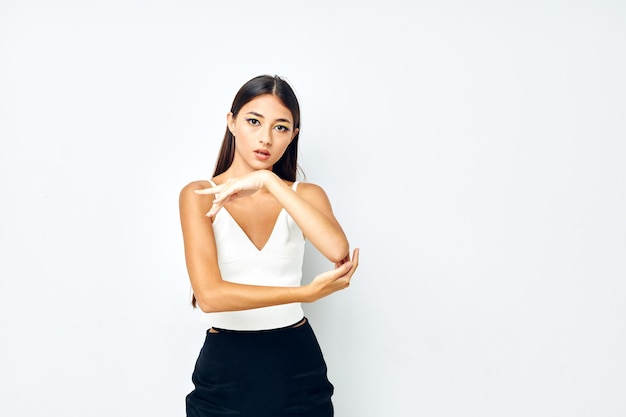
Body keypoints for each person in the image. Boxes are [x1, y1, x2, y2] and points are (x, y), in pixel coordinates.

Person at [179, 74, 359, 417]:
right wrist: (303, 294)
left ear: (293, 135)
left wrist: (268, 181)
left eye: (280, 127)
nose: (265, 138)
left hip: (295, 366)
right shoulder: (198, 195)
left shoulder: (304, 196)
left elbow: (337, 250)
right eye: (253, 121)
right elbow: (210, 296)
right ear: (231, 122)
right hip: (224, 371)